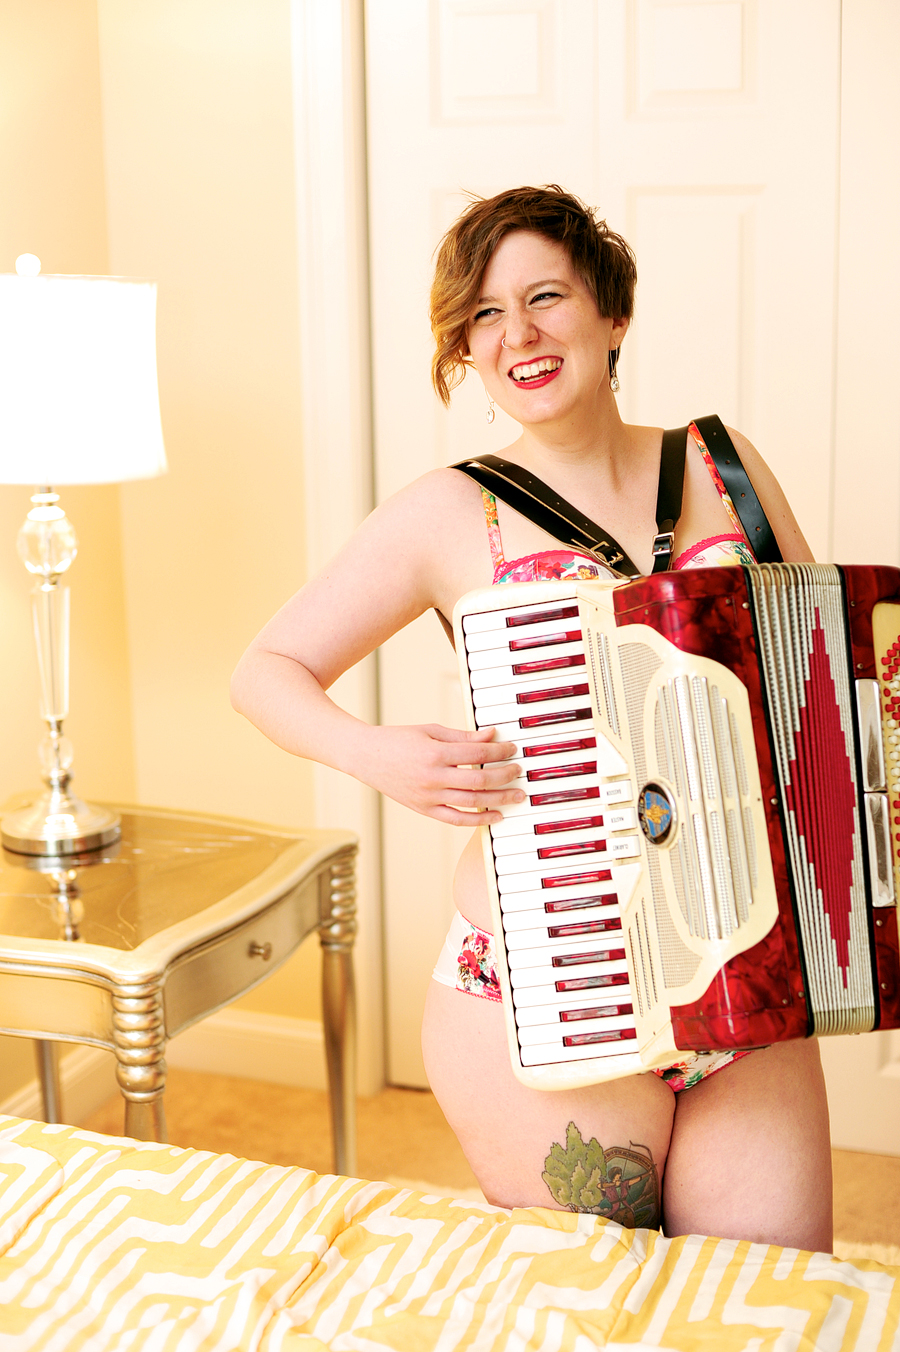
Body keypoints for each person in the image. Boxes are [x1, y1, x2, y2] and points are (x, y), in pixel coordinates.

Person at [231, 185, 833, 1250]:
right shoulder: (444, 510)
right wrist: (374, 753)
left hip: (745, 959)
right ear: (467, 349)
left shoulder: (724, 465)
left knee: (770, 1299)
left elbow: (816, 684)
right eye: (485, 314)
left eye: (546, 295)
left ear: (613, 313)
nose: (519, 333)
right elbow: (264, 669)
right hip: (545, 981)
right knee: (604, 1298)